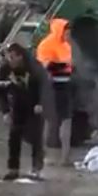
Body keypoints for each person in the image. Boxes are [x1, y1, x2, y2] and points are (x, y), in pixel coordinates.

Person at [0, 43, 45, 180]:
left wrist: (41, 103)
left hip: (35, 105)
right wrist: (5, 111)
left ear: (20, 56)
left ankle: (36, 169)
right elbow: (0, 91)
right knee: (14, 136)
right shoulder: (5, 69)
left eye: (12, 57)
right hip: (17, 105)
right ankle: (13, 169)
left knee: (36, 138)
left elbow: (45, 86)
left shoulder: (34, 67)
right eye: (8, 57)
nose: (10, 60)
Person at [36, 17, 76, 167]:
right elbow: (44, 67)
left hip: (65, 86)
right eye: (66, 33)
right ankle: (43, 155)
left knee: (66, 121)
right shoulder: (46, 45)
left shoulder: (65, 46)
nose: (68, 36)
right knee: (48, 122)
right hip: (51, 88)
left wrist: (66, 67)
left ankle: (65, 157)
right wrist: (65, 66)